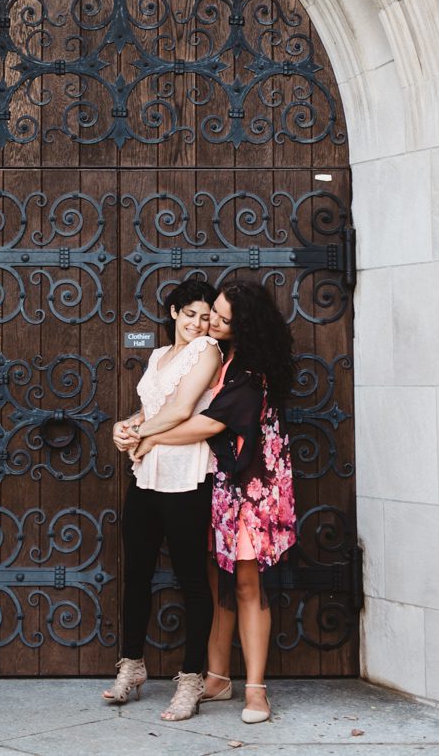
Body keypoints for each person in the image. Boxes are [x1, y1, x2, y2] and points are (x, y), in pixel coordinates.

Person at [132, 279, 296, 726]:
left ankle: (257, 691)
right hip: (217, 482)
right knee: (214, 578)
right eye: (214, 314)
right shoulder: (223, 357)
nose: (214, 323)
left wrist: (148, 439)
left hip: (251, 488)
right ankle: (218, 677)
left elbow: (208, 424)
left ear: (246, 325)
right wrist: (138, 425)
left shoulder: (251, 371)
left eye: (224, 319)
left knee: (246, 584)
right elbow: (178, 403)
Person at [104, 277, 221, 722]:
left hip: (186, 479)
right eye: (190, 314)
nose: (198, 322)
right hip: (146, 478)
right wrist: (127, 424)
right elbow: (153, 410)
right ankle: (131, 666)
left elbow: (181, 411)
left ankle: (191, 680)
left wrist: (139, 434)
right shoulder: (158, 356)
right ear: (174, 313)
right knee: (136, 575)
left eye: (206, 316)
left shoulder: (207, 351)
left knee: (192, 581)